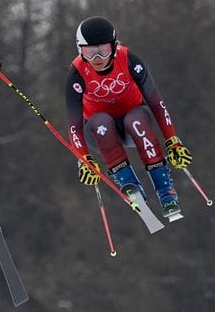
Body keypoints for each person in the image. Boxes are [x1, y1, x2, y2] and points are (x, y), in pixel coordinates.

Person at [65, 16, 193, 218]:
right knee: (101, 122)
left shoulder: (129, 60)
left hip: (135, 123)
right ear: (80, 49)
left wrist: (172, 140)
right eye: (89, 52)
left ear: (114, 47)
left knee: (135, 119)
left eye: (103, 51)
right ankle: (131, 187)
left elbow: (157, 103)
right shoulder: (76, 74)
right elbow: (73, 125)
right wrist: (83, 158)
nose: (97, 59)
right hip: (99, 132)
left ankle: (166, 192)